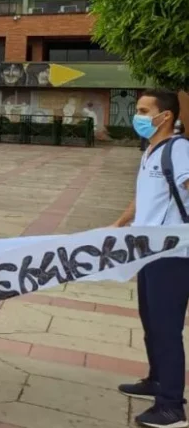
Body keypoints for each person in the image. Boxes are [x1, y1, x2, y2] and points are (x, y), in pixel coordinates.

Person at [113, 90, 189, 428]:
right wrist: (117, 225)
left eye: (145, 111)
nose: (138, 117)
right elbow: (144, 197)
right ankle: (156, 380)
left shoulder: (180, 149)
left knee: (166, 328)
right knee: (151, 322)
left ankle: (171, 406)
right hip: (148, 252)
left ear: (166, 116)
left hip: (172, 254)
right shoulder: (151, 151)